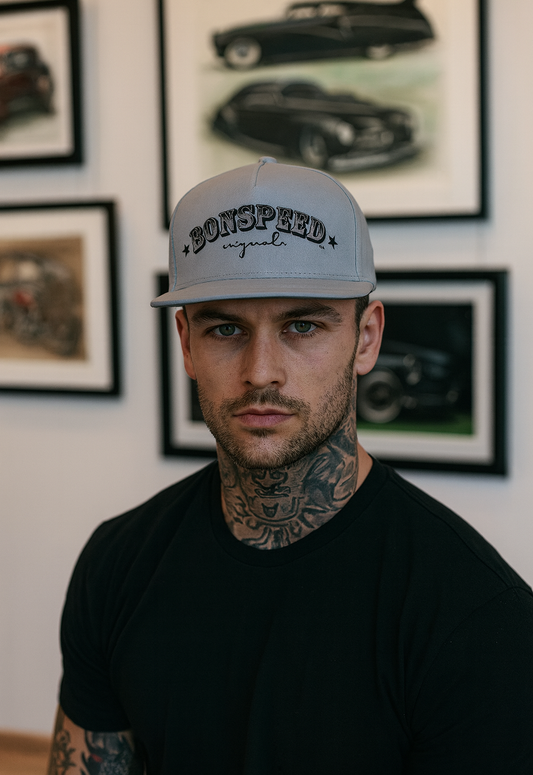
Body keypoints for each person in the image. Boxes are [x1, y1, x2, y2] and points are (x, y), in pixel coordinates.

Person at [49, 158, 533, 775]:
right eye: (226, 328)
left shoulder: (478, 619)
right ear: (185, 343)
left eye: (302, 325)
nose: (260, 371)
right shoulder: (117, 563)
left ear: (366, 338)